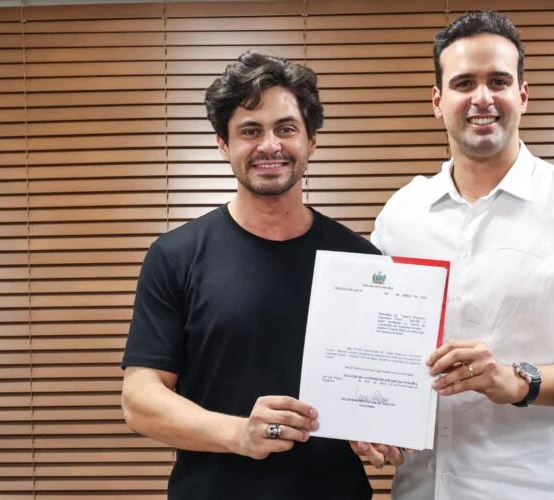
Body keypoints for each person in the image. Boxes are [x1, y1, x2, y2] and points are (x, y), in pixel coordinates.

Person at [369, 11, 554, 499]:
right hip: (421, 489)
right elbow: (376, 344)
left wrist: (519, 380)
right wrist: (365, 415)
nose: (482, 98)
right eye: (463, 83)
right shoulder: (401, 214)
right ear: (438, 102)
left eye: (498, 81)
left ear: (523, 95)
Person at [120, 51, 387, 499]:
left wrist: (380, 428)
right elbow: (140, 399)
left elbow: (376, 387)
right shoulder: (176, 255)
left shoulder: (362, 260)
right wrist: (239, 433)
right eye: (250, 131)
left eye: (286, 129)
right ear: (223, 145)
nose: (269, 145)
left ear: (311, 142)